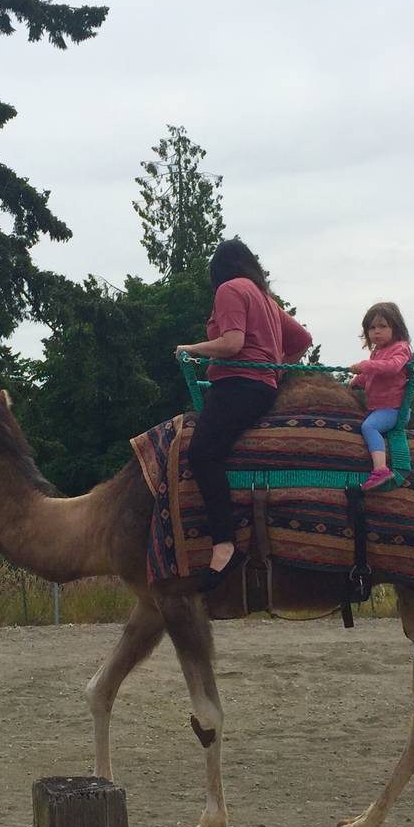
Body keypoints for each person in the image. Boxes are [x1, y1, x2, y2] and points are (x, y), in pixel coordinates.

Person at [175, 238, 313, 591]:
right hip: (261, 389)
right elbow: (302, 340)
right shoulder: (265, 298)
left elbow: (233, 344)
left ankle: (224, 544)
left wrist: (189, 349)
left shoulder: (230, 290)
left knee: (202, 454)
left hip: (236, 385)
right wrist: (277, 370)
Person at [347, 302, 414, 491]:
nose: (377, 332)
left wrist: (365, 366)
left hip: (393, 409)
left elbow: (392, 367)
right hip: (378, 407)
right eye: (372, 328)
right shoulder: (376, 352)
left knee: (369, 427)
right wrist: (357, 380)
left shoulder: (401, 348)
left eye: (383, 326)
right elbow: (373, 373)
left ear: (396, 327)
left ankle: (381, 469)